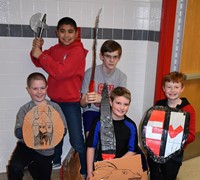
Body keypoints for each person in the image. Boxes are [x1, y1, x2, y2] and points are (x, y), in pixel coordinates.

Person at [30, 17, 88, 175]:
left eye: (70, 31)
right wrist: (37, 50)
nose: (66, 35)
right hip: (54, 101)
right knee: (56, 133)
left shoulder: (77, 51)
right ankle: (55, 161)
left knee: (76, 138)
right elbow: (38, 61)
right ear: (57, 32)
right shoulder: (55, 49)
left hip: (71, 103)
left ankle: (84, 169)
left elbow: (60, 71)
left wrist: (41, 55)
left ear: (76, 33)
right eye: (62, 31)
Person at [7, 72, 67, 180]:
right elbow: (18, 132)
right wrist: (29, 129)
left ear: (46, 88)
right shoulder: (25, 109)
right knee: (15, 168)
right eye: (35, 89)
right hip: (26, 146)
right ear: (28, 90)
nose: (39, 92)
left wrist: (55, 132)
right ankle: (31, 165)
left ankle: (33, 167)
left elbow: (63, 129)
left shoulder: (55, 107)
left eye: (42, 88)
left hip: (46, 150)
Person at [147, 71, 196, 180]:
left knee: (169, 176)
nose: (172, 90)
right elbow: (150, 127)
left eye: (176, 87)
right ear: (164, 89)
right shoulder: (159, 105)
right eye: (169, 87)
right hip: (155, 151)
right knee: (155, 176)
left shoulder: (188, 110)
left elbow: (192, 135)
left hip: (174, 154)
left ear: (182, 88)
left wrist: (175, 138)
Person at [86, 86, 139, 180]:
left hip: (122, 167)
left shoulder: (131, 126)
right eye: (118, 103)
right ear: (110, 102)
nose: (122, 108)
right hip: (101, 168)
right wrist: (89, 173)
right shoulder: (98, 122)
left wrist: (116, 166)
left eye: (126, 104)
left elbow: (132, 150)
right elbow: (91, 147)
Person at [80, 40, 127, 138]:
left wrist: (101, 99)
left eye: (115, 57)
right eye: (108, 56)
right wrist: (86, 100)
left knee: (114, 139)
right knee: (91, 139)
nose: (111, 60)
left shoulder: (121, 77)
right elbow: (82, 104)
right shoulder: (90, 73)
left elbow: (119, 104)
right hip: (92, 111)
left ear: (119, 58)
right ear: (101, 56)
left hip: (111, 113)